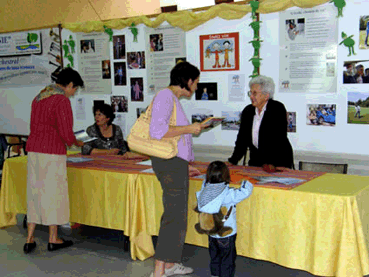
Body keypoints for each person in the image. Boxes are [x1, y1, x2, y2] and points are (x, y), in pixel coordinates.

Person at [149, 62, 208, 277]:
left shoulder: (170, 98)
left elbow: (172, 137)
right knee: (173, 216)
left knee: (177, 215)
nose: (197, 86)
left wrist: (186, 165)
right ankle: (159, 270)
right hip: (170, 163)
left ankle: (170, 264)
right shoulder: (166, 97)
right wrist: (191, 128)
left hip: (175, 163)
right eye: (196, 82)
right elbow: (157, 131)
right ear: (188, 81)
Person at [24, 68, 85, 254]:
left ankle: (29, 239)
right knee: (54, 194)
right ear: (69, 85)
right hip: (52, 152)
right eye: (75, 89)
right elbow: (66, 134)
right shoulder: (61, 100)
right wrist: (77, 142)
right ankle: (53, 239)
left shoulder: (39, 96)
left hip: (33, 150)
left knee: (34, 193)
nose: (74, 93)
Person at [196, 161, 253, 277]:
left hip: (212, 233)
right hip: (227, 234)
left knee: (215, 257)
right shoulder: (227, 193)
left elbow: (204, 183)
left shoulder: (205, 189)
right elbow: (245, 192)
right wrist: (246, 182)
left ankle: (215, 275)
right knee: (227, 260)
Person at [228, 75, 294, 170]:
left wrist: (272, 163)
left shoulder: (277, 109)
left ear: (266, 95)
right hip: (256, 161)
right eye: (250, 93)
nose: (251, 96)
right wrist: (233, 160)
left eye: (254, 93)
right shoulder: (248, 111)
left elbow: (278, 138)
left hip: (278, 161)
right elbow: (242, 139)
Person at [81, 104, 146, 159]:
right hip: (98, 162)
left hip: (116, 162)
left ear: (108, 118)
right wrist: (108, 152)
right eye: (95, 115)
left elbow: (123, 149)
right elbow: (85, 149)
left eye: (99, 115)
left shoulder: (117, 129)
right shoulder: (91, 130)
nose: (96, 117)